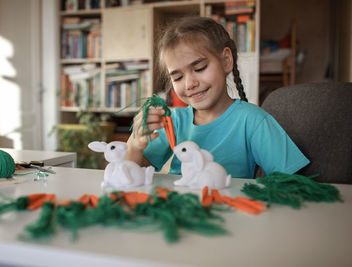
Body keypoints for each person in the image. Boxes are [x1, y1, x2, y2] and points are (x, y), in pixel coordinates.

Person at [125, 16, 309, 178]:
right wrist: (134, 146)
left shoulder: (253, 121)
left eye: (199, 68)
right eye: (178, 77)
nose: (189, 84)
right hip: (179, 212)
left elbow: (292, 182)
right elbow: (130, 176)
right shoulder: (174, 121)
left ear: (226, 60)